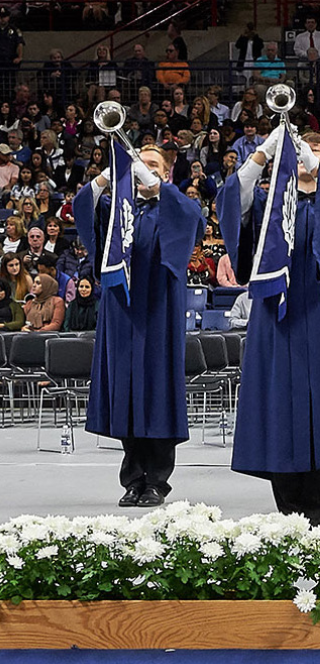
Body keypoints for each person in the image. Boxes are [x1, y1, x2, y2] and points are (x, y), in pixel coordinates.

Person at [219, 128, 320, 524]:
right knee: (281, 409)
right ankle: (288, 513)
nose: (308, 156)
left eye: (318, 151)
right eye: (303, 150)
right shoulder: (271, 207)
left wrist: (313, 164)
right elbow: (231, 204)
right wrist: (261, 155)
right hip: (278, 320)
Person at [74, 144, 204, 506]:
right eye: (137, 165)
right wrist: (111, 173)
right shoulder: (118, 210)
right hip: (122, 314)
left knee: (158, 393)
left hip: (159, 311)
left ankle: (157, 482)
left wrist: (156, 185)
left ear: (164, 173)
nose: (141, 170)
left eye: (150, 165)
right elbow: (83, 205)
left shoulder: (173, 206)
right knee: (126, 394)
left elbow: (193, 219)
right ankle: (133, 479)